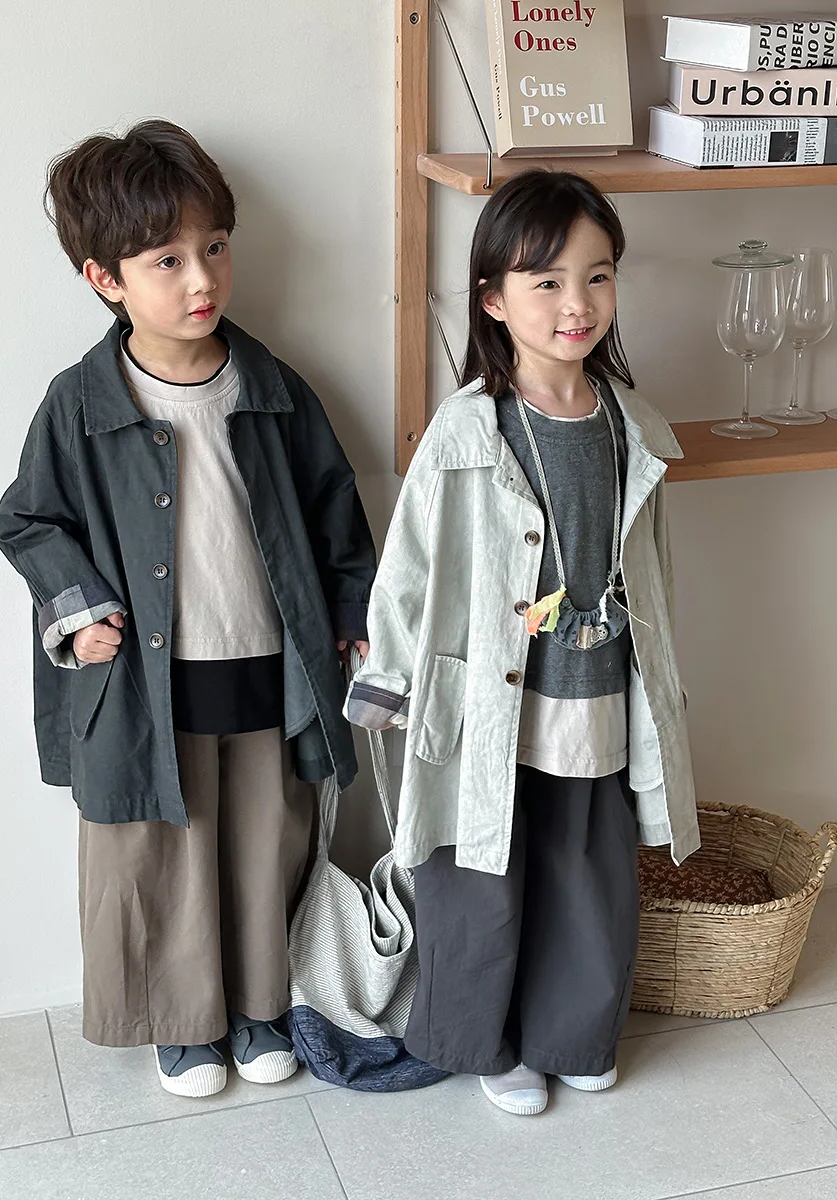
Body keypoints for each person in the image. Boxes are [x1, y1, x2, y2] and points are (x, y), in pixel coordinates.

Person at [0, 120, 376, 1098]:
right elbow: (26, 518)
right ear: (105, 279)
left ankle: (260, 1008)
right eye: (166, 260)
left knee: (263, 839)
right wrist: (77, 609)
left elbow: (337, 515)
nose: (201, 278)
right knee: (162, 850)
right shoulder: (80, 403)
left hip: (267, 660)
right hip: (146, 677)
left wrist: (351, 615)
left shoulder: (275, 388)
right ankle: (181, 1024)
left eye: (214, 247)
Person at [345, 169, 699, 1116]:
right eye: (547, 281)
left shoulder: (633, 425)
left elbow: (653, 569)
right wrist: (386, 677)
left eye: (598, 276)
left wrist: (665, 677)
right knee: (482, 875)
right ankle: (488, 1043)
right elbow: (409, 564)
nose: (576, 303)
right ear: (494, 299)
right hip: (490, 699)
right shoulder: (467, 429)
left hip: (596, 685)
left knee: (589, 872)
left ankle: (572, 1035)